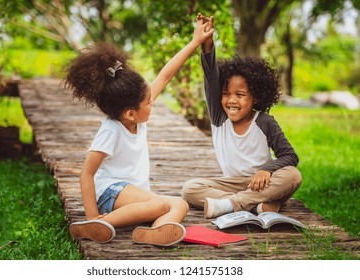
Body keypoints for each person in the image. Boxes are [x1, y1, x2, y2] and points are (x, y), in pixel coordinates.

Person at [64, 17, 214, 246]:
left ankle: (156, 231)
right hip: (110, 192)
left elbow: (165, 75)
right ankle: (99, 224)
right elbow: (86, 173)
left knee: (179, 204)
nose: (152, 102)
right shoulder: (111, 129)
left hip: (131, 196)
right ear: (130, 114)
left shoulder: (135, 117)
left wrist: (195, 42)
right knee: (161, 204)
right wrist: (92, 214)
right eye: (148, 102)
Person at [182, 14, 302, 219]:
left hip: (264, 181)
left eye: (240, 95)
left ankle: (231, 204)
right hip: (233, 183)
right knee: (190, 188)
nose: (231, 100)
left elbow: (290, 156)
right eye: (226, 93)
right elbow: (211, 78)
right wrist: (207, 44)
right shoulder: (220, 117)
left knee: (292, 175)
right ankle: (256, 205)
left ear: (255, 97)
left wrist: (267, 170)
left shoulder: (265, 122)